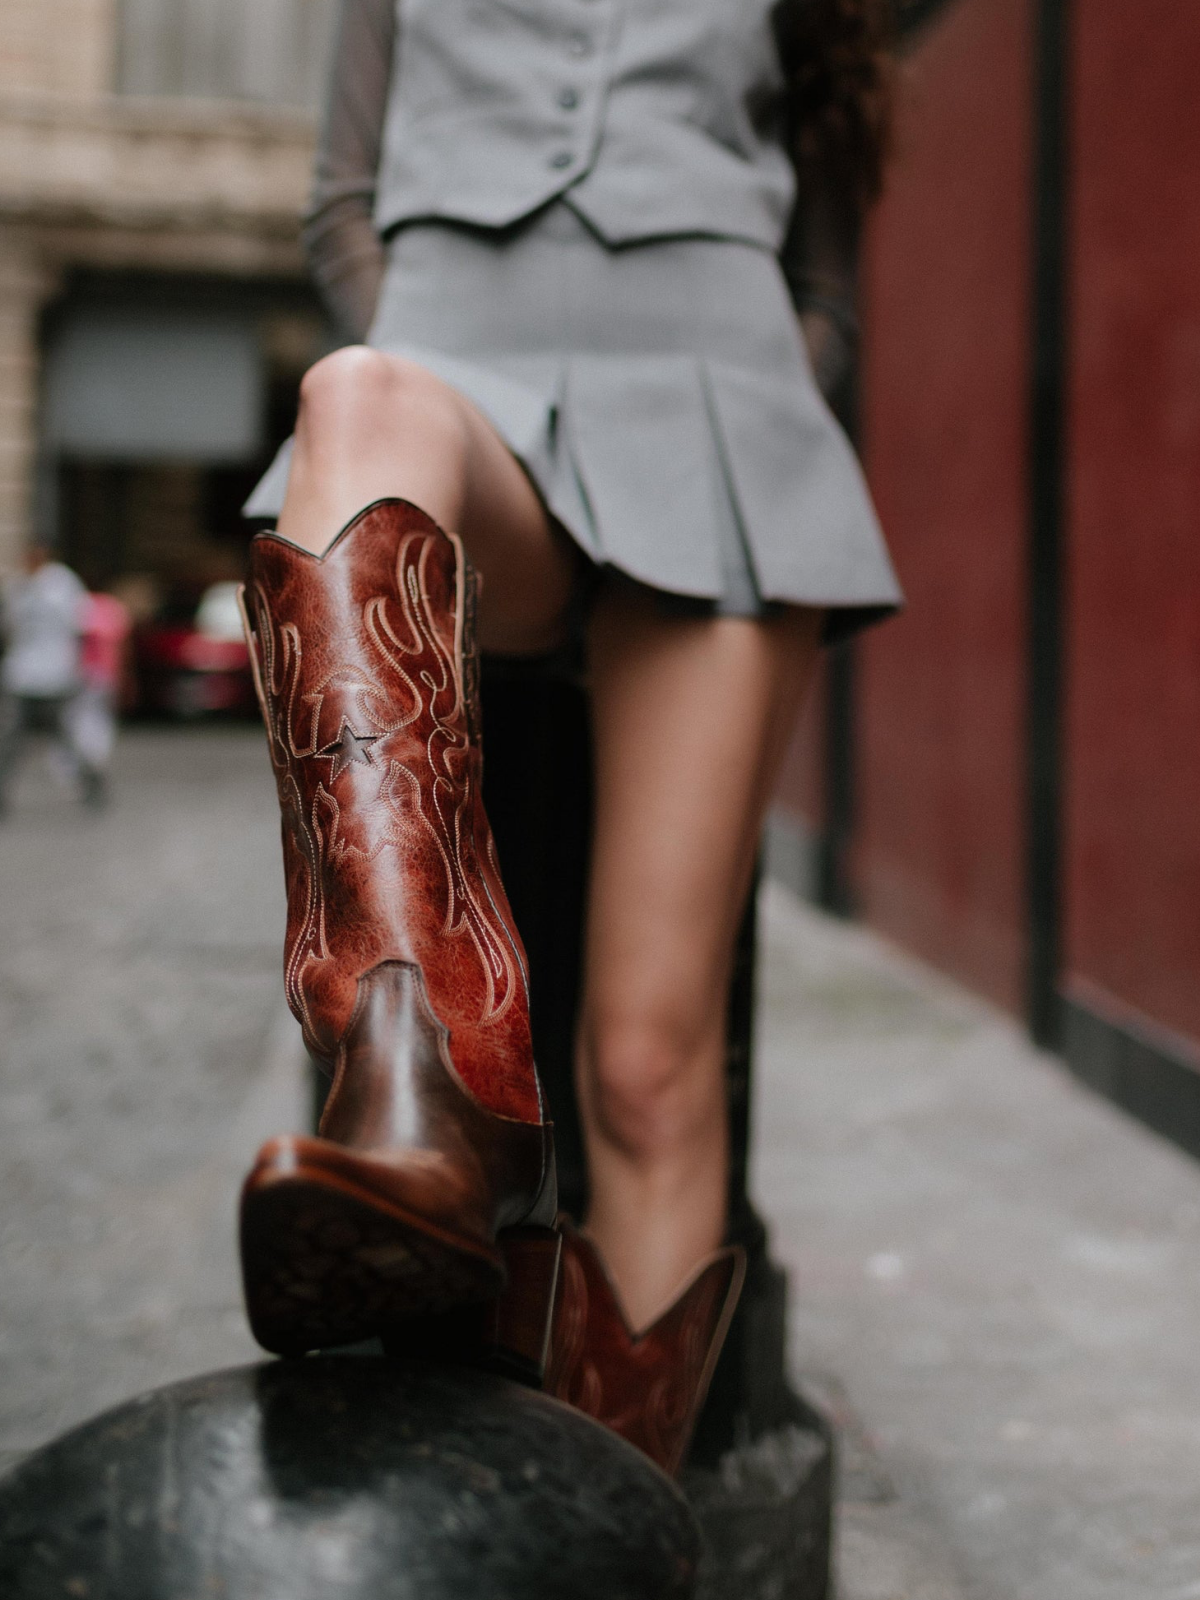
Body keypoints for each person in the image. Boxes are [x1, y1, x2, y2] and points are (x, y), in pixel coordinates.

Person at [237, 0, 901, 1474]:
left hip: (722, 424)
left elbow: (830, 297)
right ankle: (414, 1070)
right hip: (468, 378)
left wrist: (766, 395)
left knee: (651, 1071)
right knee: (359, 395)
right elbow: (342, 206)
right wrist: (427, 321)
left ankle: (614, 1527)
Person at [0, 544, 94, 815]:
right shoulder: (17, 587)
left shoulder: (62, 584)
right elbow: (10, 628)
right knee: (10, 739)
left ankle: (91, 781)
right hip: (22, 676)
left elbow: (78, 626)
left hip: (54, 676)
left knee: (63, 737)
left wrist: (77, 668)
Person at [65, 587, 132, 810]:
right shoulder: (109, 608)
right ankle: (91, 764)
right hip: (96, 675)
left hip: (90, 675)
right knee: (94, 723)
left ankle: (89, 765)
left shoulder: (79, 605)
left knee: (86, 723)